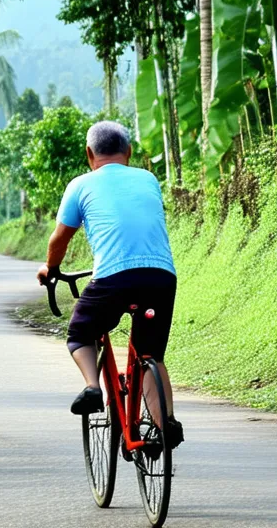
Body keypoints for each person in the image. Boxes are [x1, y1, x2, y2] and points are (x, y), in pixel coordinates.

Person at [36, 121, 183, 448]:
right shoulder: (148, 179)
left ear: (89, 154)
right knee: (152, 355)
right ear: (128, 152)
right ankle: (166, 424)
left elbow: (59, 238)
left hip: (114, 277)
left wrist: (51, 268)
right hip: (161, 276)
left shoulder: (80, 185)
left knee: (80, 333)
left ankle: (92, 387)